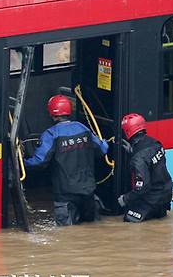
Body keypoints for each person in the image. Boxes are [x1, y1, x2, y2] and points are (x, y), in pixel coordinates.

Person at [24, 95, 109, 226]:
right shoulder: (83, 128)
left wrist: (21, 162)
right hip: (88, 194)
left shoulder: (52, 134)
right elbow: (102, 150)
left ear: (51, 113)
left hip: (65, 197)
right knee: (92, 230)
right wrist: (105, 142)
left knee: (66, 235)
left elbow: (39, 162)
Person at [117, 113, 173, 222]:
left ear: (128, 131)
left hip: (152, 199)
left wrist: (125, 198)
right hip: (166, 193)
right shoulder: (155, 143)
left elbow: (142, 187)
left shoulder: (138, 158)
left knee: (129, 219)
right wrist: (133, 151)